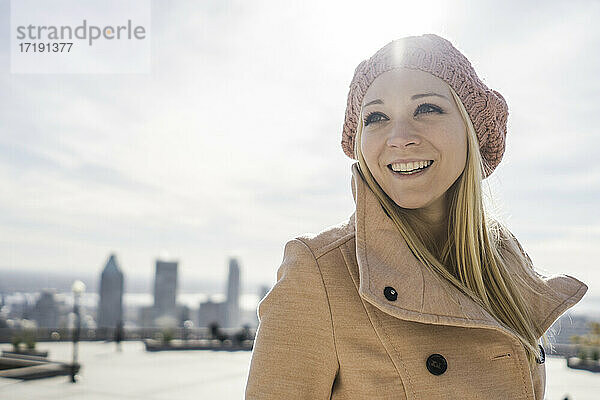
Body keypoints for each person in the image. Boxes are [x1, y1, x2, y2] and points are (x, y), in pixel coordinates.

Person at [244, 33, 588, 400]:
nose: (400, 137)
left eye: (426, 109)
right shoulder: (320, 273)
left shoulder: (503, 259)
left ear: (470, 128)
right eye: (376, 117)